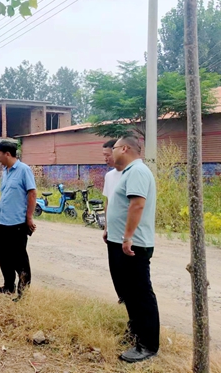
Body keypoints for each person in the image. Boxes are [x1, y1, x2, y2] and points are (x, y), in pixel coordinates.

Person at [107, 135, 159, 363]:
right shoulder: (129, 172)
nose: (111, 152)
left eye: (114, 148)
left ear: (125, 148)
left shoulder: (137, 171)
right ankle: (136, 335)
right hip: (123, 242)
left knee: (140, 295)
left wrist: (127, 237)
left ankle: (147, 345)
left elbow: (137, 204)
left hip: (133, 245)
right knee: (129, 294)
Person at [0, 140, 37, 302]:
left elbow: (32, 194)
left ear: (7, 154)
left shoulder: (24, 170)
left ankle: (23, 293)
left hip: (17, 224)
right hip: (3, 222)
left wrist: (29, 218)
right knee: (3, 257)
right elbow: (5, 197)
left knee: (19, 259)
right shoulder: (6, 171)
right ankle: (8, 286)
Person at [101, 139, 125, 304]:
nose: (105, 159)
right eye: (104, 155)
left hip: (129, 235)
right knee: (115, 269)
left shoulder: (131, 173)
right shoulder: (109, 176)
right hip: (113, 232)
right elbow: (108, 202)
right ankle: (122, 298)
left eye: (107, 155)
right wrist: (106, 227)